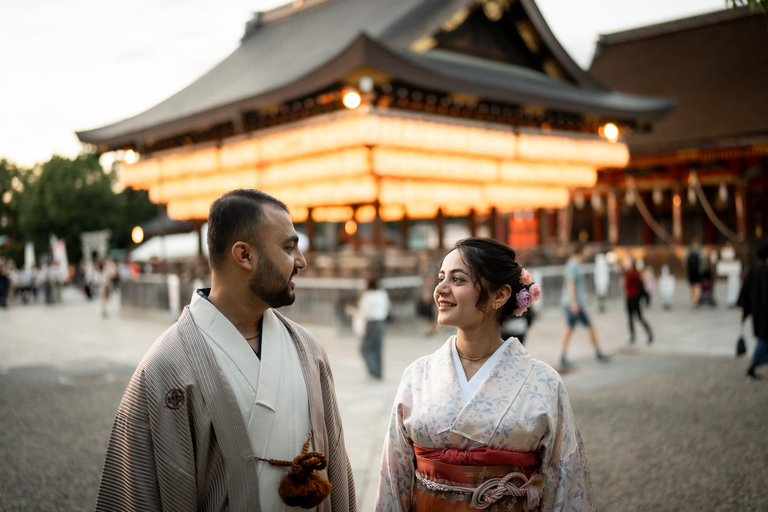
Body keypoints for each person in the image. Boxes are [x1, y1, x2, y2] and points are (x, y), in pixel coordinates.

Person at [96, 189, 356, 512]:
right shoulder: (166, 367)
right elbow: (140, 493)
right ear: (244, 255)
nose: (301, 261)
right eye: (289, 248)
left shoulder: (308, 350)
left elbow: (336, 466)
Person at [376, 238, 595, 511]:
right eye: (441, 278)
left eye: (457, 279)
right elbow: (394, 478)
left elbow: (564, 480)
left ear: (499, 295)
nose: (440, 289)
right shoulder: (417, 375)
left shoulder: (544, 381)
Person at [559, 244, 609, 369]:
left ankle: (597, 352)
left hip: (577, 303)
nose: (588, 253)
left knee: (578, 328)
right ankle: (563, 356)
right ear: (580, 251)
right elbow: (571, 284)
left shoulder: (575, 265)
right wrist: (574, 303)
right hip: (574, 304)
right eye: (586, 251)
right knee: (572, 328)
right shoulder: (573, 265)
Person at [738, 244, 768, 381]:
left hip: (757, 313)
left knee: (763, 340)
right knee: (763, 341)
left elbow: (745, 293)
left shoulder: (752, 271)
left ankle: (753, 367)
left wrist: (744, 311)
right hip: (765, 313)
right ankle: (751, 367)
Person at [356, 277, 390, 379]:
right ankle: (378, 372)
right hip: (381, 322)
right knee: (377, 347)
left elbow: (364, 311)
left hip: (371, 322)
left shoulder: (368, 295)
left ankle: (373, 371)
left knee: (365, 348)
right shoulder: (383, 294)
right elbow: (387, 307)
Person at [624, 259, 654, 344]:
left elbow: (639, 285)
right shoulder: (627, 273)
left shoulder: (635, 274)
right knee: (630, 318)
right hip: (629, 298)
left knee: (640, 318)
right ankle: (632, 336)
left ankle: (649, 334)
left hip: (635, 298)